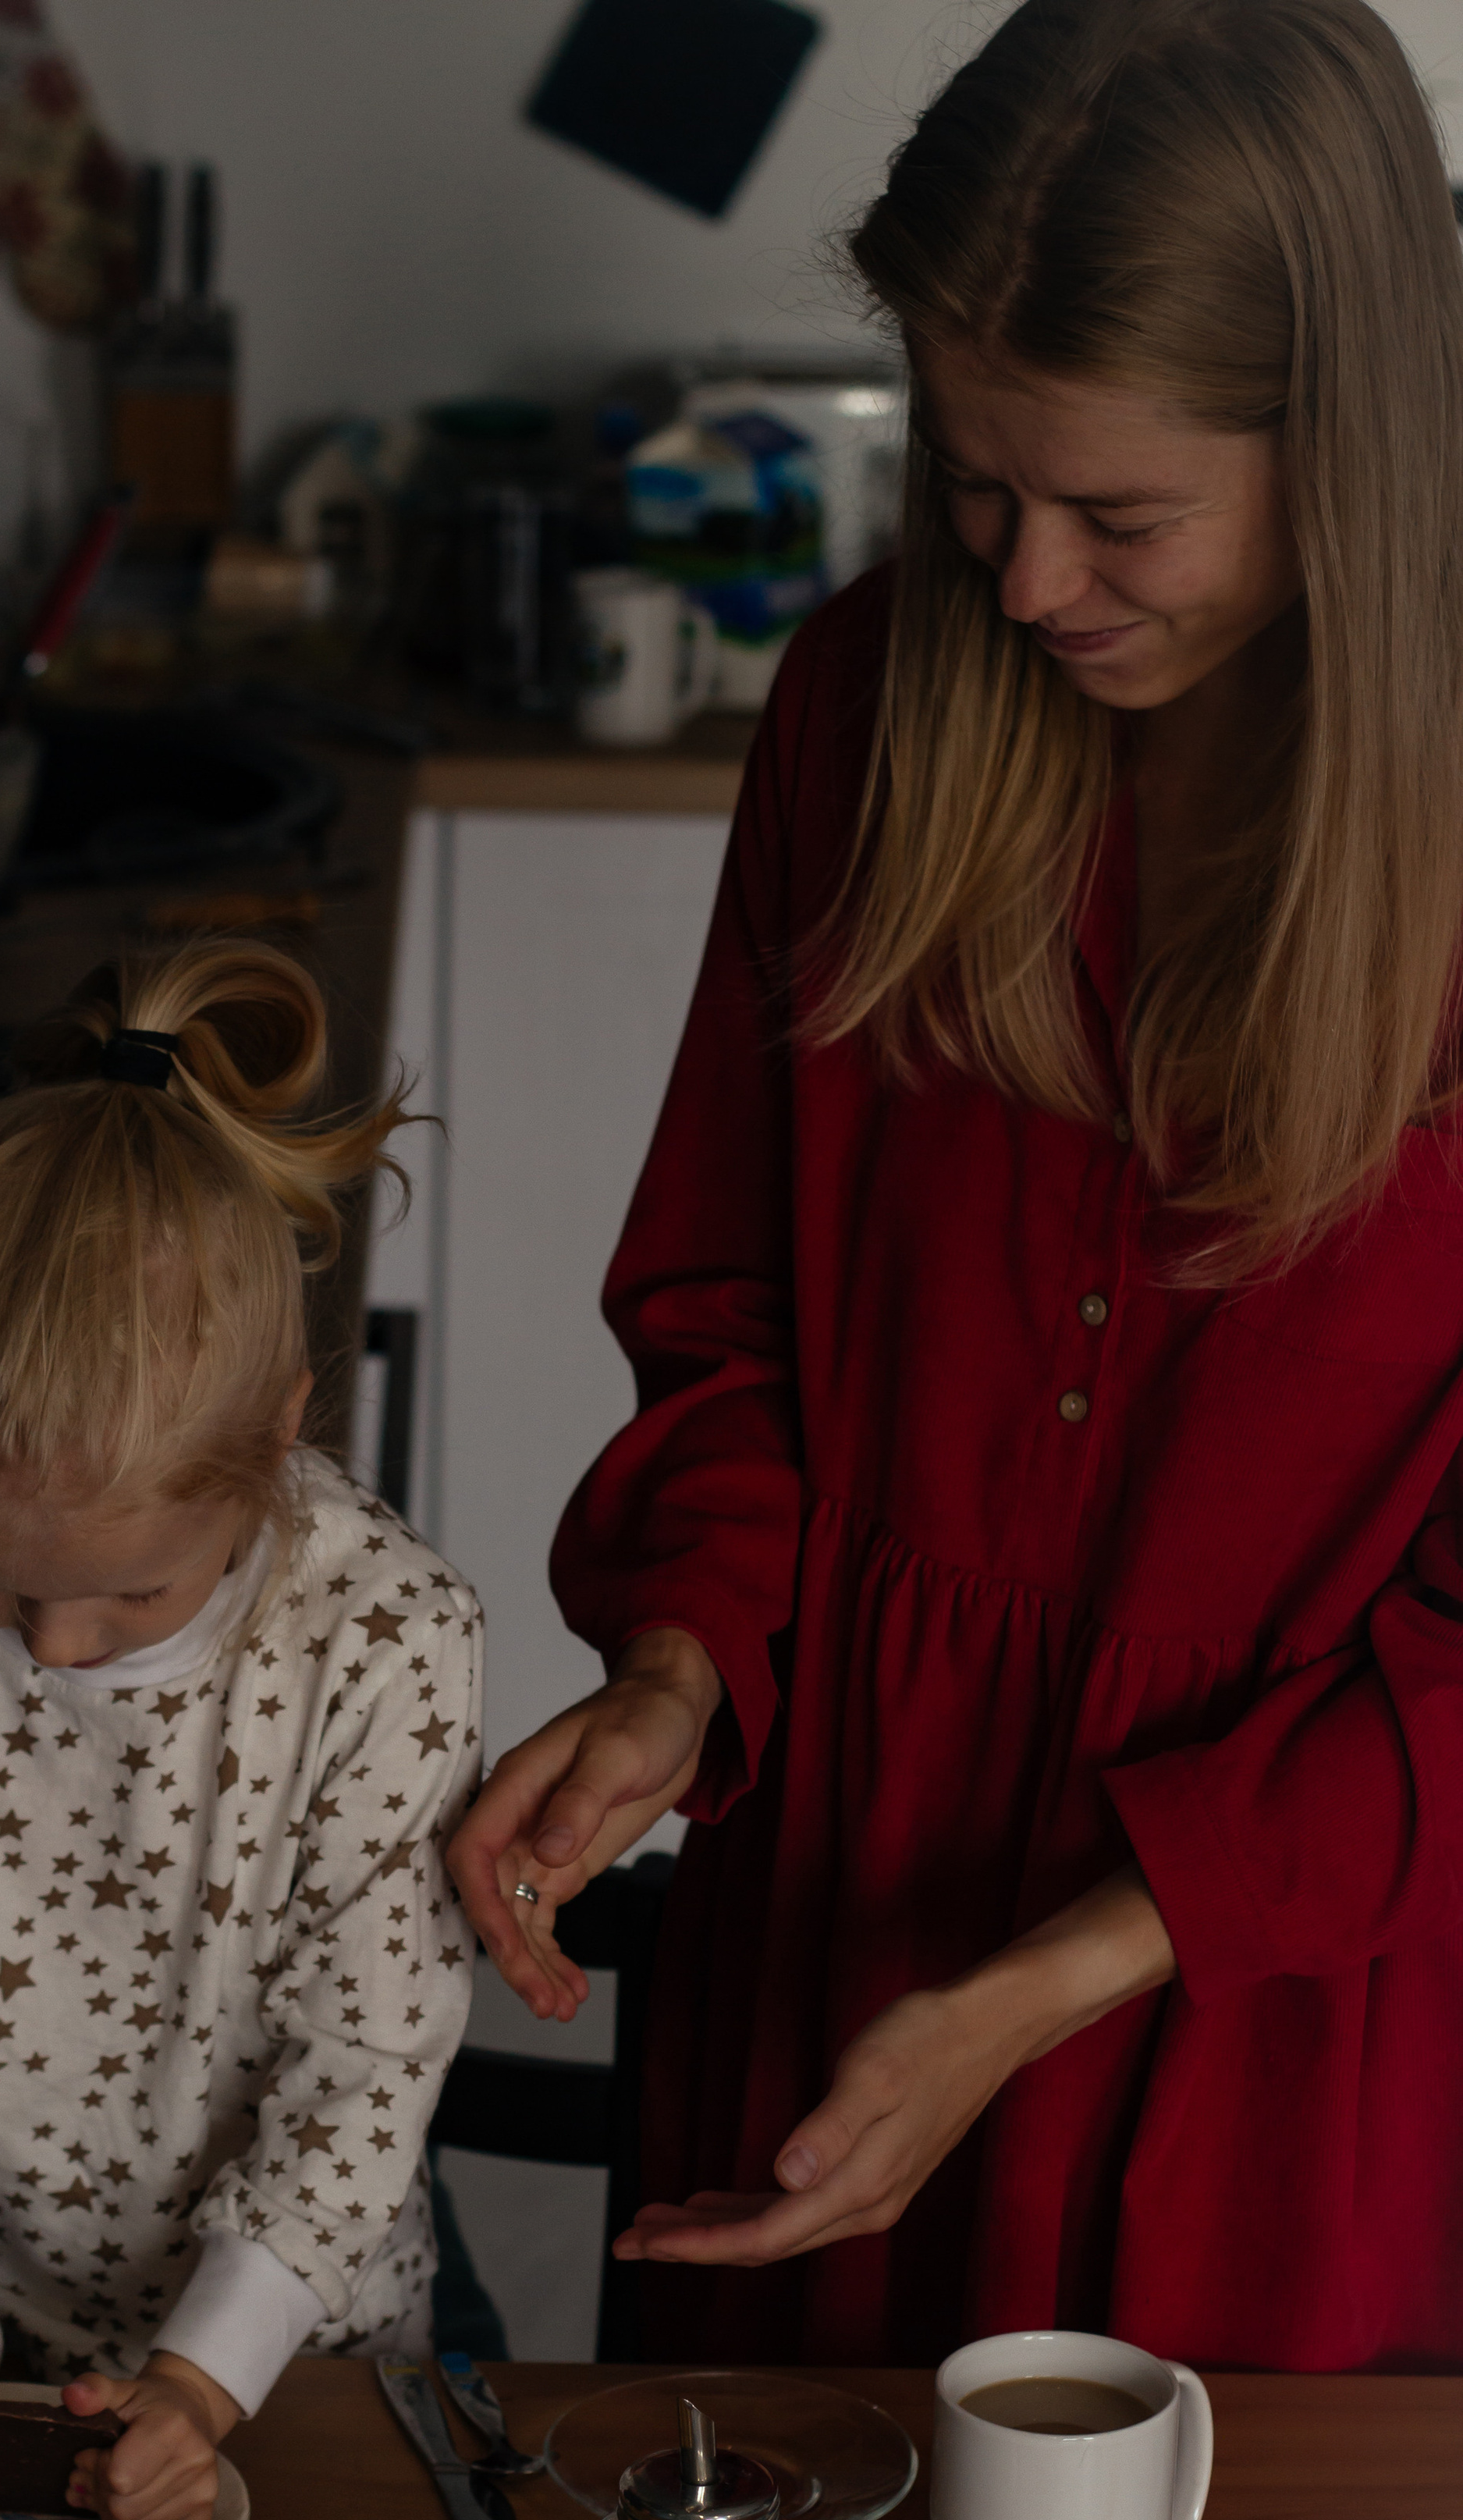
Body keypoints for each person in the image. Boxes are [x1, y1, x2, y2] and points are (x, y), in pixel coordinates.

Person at [450, 0, 1463, 2373]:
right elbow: (728, 1306)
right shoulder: (860, 712)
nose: (1020, 588)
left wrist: (1064, 1972)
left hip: (1278, 2007)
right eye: (976, 489)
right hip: (832, 1926)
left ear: (1362, 448)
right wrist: (687, 1667)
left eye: (1121, 517)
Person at [0, 942, 481, 2520]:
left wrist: (203, 2386)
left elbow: (359, 2076)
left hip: (305, 2372)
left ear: (281, 1432)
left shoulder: (385, 1643)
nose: (56, 1650)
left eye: (131, 1592)